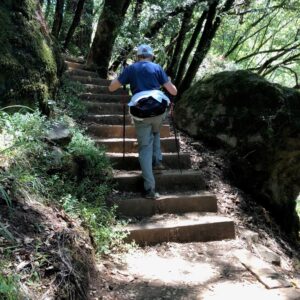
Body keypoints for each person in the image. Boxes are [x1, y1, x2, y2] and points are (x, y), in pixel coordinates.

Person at [108, 44, 177, 199]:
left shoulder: (131, 69)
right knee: (156, 127)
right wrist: (166, 82)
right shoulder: (157, 68)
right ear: (151, 56)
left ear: (138, 56)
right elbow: (173, 91)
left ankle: (150, 189)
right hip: (158, 108)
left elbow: (112, 88)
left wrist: (120, 78)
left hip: (140, 111)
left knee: (145, 147)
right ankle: (158, 160)